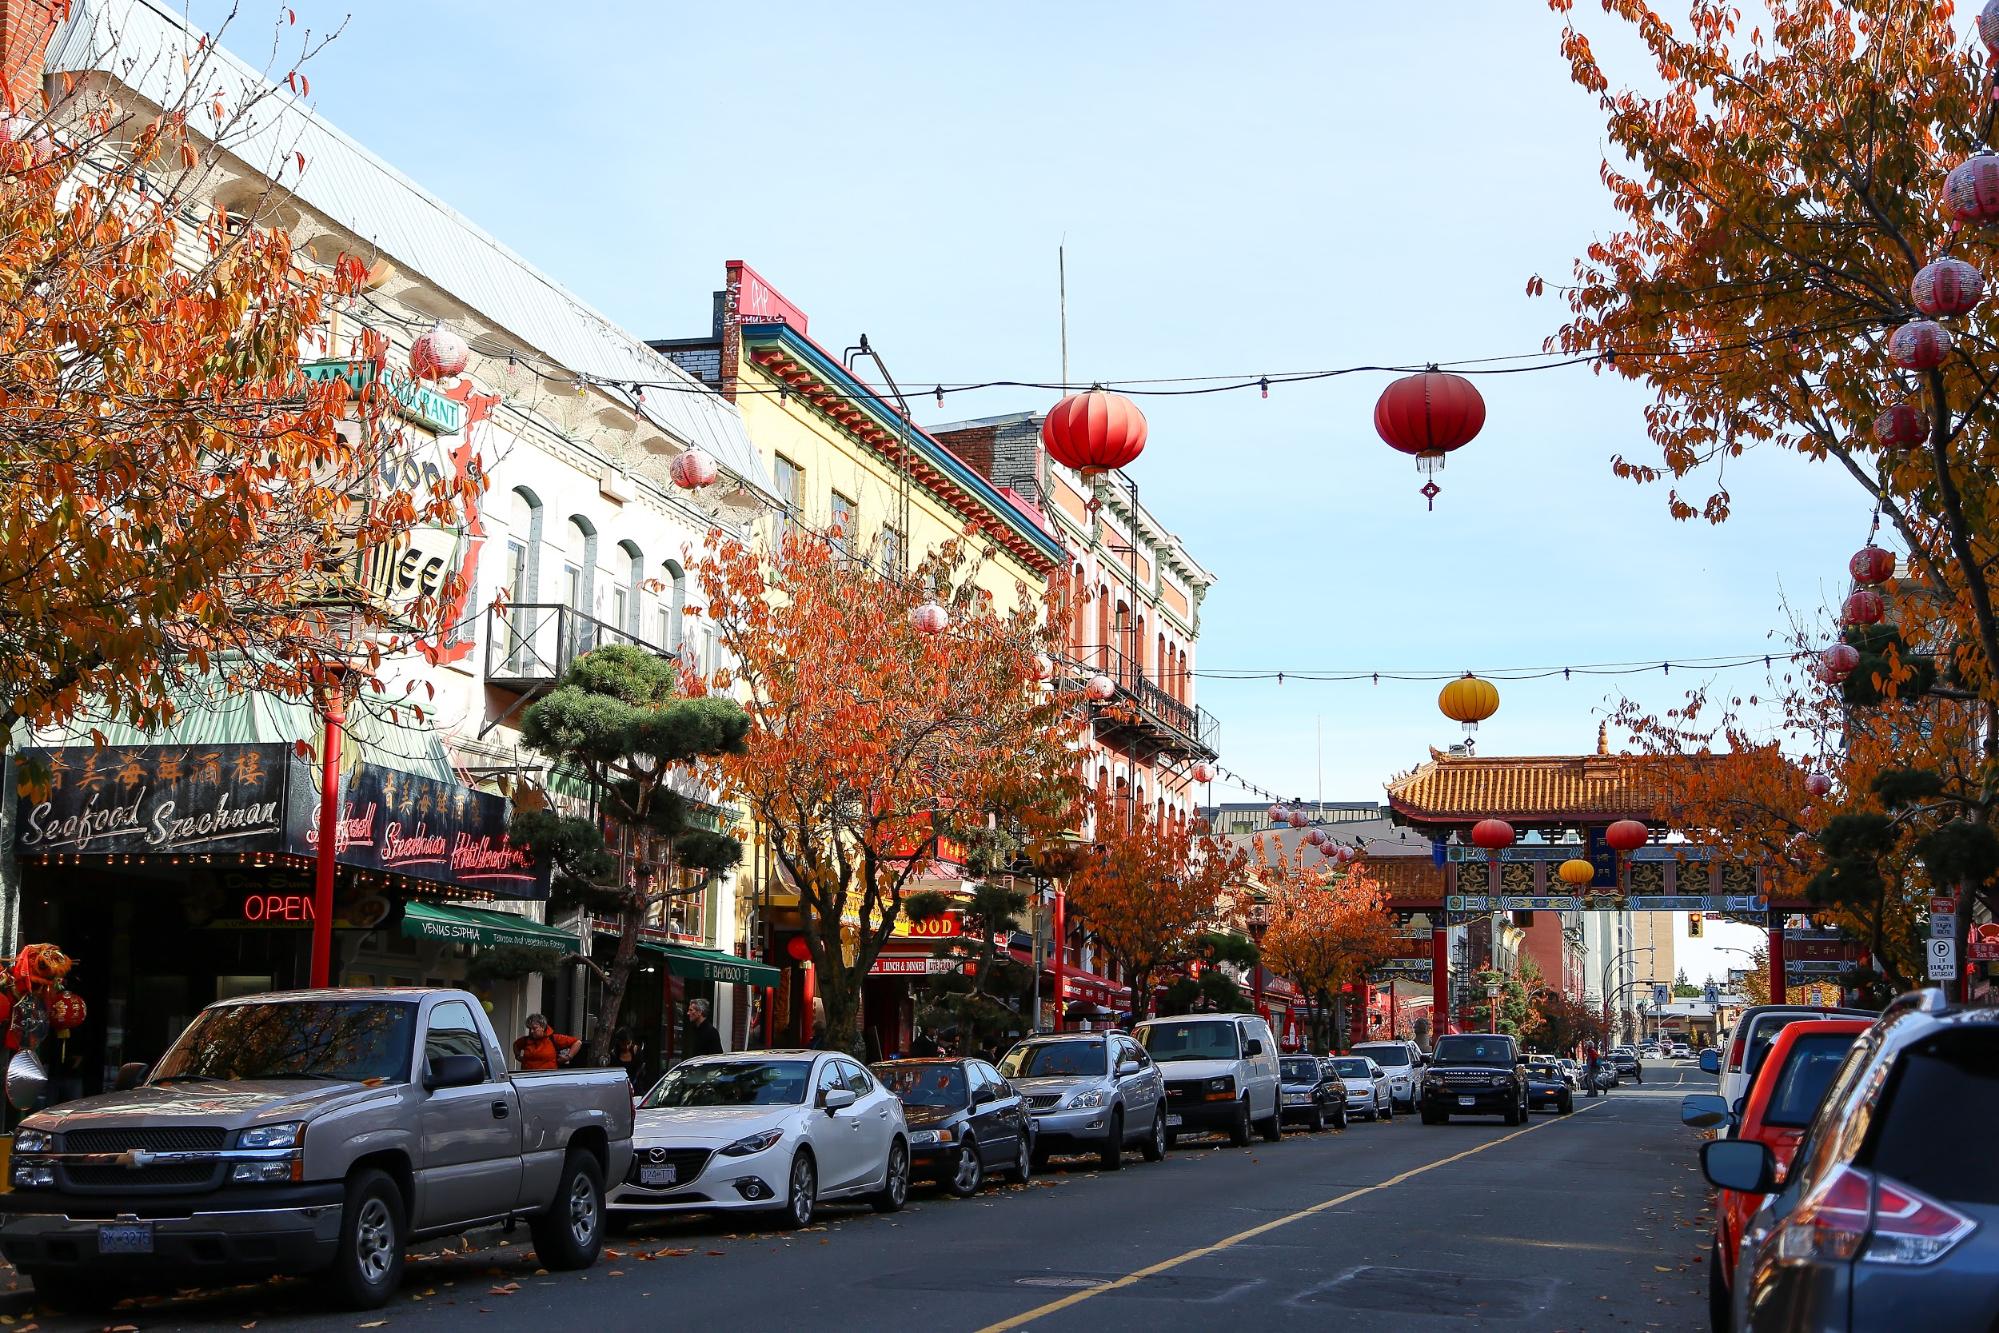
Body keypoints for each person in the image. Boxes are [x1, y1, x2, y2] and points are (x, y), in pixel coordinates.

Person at [514, 1014, 581, 1071]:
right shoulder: (526, 1040)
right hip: (528, 1077)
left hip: (547, 1077)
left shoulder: (553, 1038)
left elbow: (577, 1042)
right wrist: (518, 1056)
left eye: (534, 1028)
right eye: (529, 1028)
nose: (531, 1031)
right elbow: (516, 1045)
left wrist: (568, 1057)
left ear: (542, 1027)